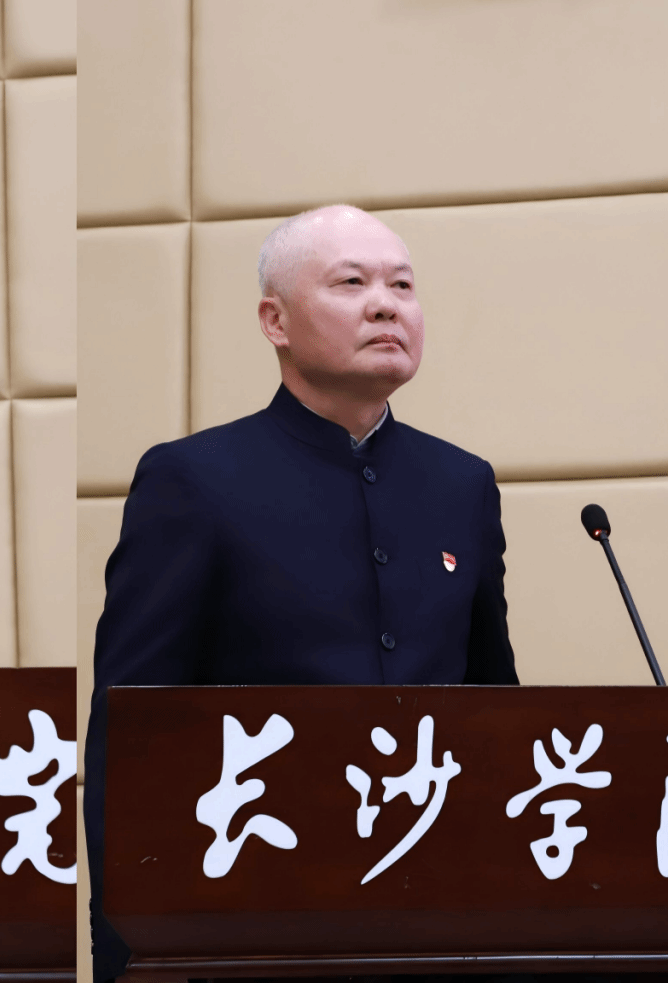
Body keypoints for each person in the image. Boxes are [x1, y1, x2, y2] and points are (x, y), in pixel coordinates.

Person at [83, 205, 517, 980]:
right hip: (256, 913)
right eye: (351, 283)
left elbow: (495, 707)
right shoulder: (193, 479)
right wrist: (127, 945)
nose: (386, 305)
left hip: (439, 914)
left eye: (402, 286)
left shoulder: (463, 483)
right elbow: (132, 730)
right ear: (274, 321)